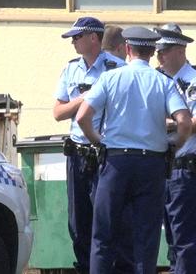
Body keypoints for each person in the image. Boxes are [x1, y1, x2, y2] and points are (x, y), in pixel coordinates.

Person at [76, 26, 192, 274]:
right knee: (146, 238)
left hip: (116, 162)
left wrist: (98, 140)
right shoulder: (164, 82)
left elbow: (83, 117)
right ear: (152, 52)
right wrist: (176, 144)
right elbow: (183, 121)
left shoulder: (110, 78)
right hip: (151, 164)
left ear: (127, 49)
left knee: (103, 236)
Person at [52, 16, 126, 274]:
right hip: (78, 153)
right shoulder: (71, 69)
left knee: (106, 220)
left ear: (93, 38)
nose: (73, 42)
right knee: (78, 223)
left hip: (106, 153)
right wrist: (83, 100)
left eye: (77, 37)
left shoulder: (117, 68)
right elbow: (59, 112)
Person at [155, 25, 196, 274]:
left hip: (188, 170)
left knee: (185, 238)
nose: (159, 56)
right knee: (173, 238)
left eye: (165, 51)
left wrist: (169, 123)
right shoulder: (158, 80)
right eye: (158, 51)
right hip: (166, 168)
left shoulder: (194, 81)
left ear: (180, 50)